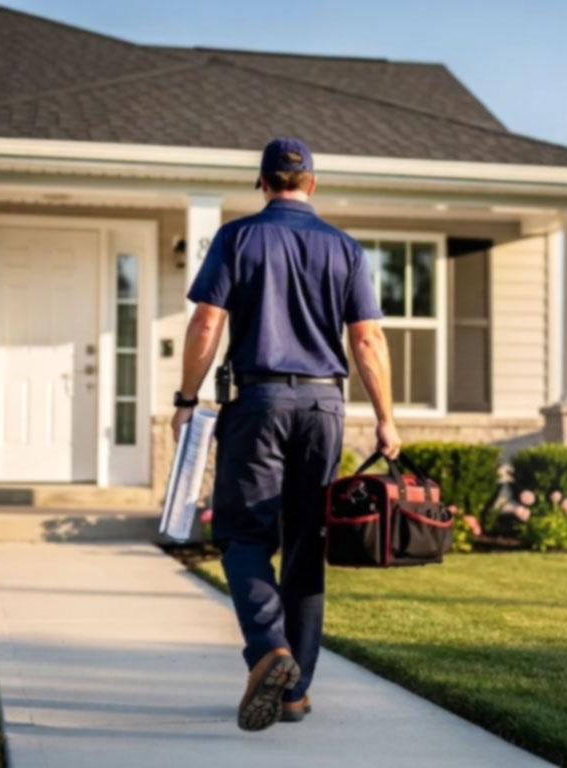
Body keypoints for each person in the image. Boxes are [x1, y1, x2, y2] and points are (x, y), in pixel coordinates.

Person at [171, 137, 401, 732]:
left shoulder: (238, 238)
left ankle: (270, 648)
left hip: (259, 401)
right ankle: (295, 693)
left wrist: (187, 399)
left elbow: (206, 323)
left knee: (243, 534)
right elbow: (368, 339)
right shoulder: (345, 248)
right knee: (305, 541)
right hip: (324, 404)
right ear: (312, 184)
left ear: (262, 182)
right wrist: (386, 418)